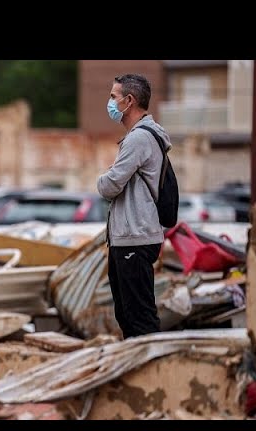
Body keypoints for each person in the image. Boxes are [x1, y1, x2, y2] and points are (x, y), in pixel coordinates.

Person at [96, 74, 171, 339]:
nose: (110, 102)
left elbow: (110, 185)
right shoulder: (140, 137)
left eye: (113, 97)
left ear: (129, 101)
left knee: (139, 317)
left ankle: (152, 372)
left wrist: (102, 177)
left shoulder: (139, 139)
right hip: (128, 237)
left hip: (134, 238)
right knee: (127, 314)